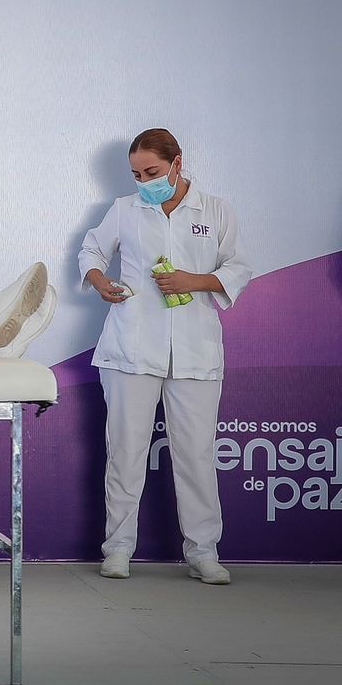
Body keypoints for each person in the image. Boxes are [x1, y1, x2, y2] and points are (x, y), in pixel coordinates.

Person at [78, 128, 252, 585]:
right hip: (131, 348)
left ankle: (204, 552)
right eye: (136, 174)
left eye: (151, 171)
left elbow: (237, 267)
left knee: (196, 454)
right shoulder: (125, 209)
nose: (144, 182)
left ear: (177, 162)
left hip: (195, 350)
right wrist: (100, 281)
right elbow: (91, 250)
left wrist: (195, 281)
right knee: (125, 450)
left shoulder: (216, 210)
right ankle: (118, 549)